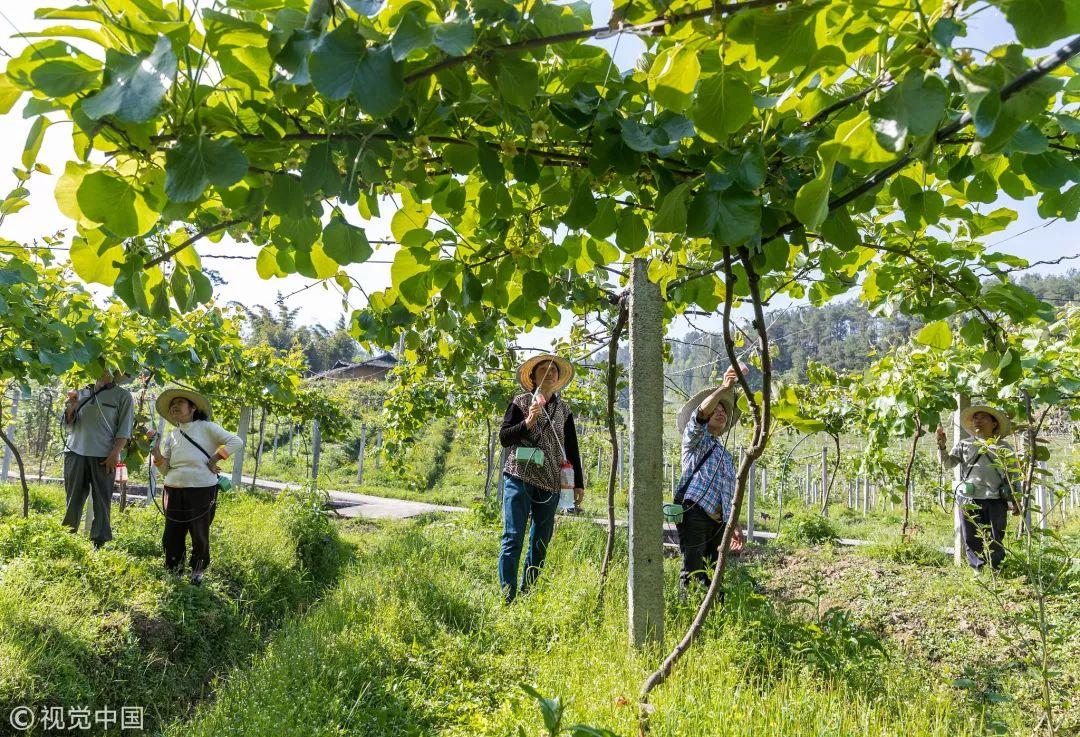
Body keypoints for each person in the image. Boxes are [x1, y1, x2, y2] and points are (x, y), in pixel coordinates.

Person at [498, 354, 584, 603]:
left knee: (540, 542)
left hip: (550, 481)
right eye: (543, 370)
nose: (549, 373)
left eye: (553, 371)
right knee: (513, 537)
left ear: (558, 378)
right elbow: (505, 438)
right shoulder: (521, 401)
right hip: (519, 476)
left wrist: (578, 482)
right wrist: (528, 421)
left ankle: (528, 594)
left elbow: (572, 447)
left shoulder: (563, 410)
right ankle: (507, 597)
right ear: (533, 377)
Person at [150, 388, 243, 585]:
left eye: (180, 402)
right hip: (173, 488)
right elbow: (166, 470)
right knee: (172, 534)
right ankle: (174, 570)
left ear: (193, 408)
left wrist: (216, 457)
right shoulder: (172, 435)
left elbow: (236, 440)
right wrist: (156, 452)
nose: (174, 406)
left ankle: (197, 571)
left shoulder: (206, 427)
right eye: (172, 404)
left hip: (201, 488)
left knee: (199, 533)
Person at [674, 366, 746, 593]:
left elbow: (728, 493)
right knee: (693, 571)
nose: (722, 412)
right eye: (717, 407)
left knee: (714, 574)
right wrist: (724, 388)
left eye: (725, 410)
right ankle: (686, 616)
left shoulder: (724, 455)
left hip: (718, 522)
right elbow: (700, 416)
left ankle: (711, 618)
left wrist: (733, 523)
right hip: (695, 512)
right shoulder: (694, 439)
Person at [936, 405, 1020, 571]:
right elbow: (947, 463)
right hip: (969, 499)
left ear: (994, 423)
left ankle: (995, 569)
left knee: (996, 537)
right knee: (971, 536)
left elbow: (1013, 475)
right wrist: (942, 446)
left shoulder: (1004, 447)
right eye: (975, 418)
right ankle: (978, 570)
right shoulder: (965, 445)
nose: (978, 421)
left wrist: (1017, 499)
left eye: (983, 418)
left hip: (996, 499)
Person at [61, 371, 134, 548]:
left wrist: (115, 454)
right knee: (73, 498)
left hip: (104, 456)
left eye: (110, 368)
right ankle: (66, 538)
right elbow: (68, 423)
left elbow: (124, 429)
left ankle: (99, 542)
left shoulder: (123, 396)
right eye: (100, 366)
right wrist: (70, 407)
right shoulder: (81, 392)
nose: (104, 370)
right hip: (75, 452)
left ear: (117, 373)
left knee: (102, 499)